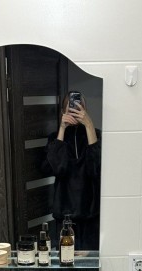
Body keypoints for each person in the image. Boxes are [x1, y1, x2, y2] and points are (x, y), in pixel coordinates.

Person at [42, 92, 101, 250]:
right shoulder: (55, 138)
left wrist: (89, 125)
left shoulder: (95, 134)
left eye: (79, 107)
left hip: (90, 210)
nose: (75, 110)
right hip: (64, 209)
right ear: (63, 111)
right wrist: (62, 129)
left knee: (91, 259)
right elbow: (55, 169)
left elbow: (95, 169)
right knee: (65, 257)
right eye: (71, 107)